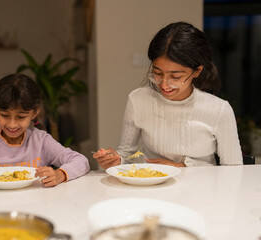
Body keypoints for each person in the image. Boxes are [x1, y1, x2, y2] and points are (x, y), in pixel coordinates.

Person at [93, 22, 243, 169]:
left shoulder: (219, 110)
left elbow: (233, 170)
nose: (164, 85)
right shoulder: (138, 100)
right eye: (157, 73)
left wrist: (182, 166)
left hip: (200, 190)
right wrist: (116, 159)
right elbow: (127, 154)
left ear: (197, 71)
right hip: (153, 189)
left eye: (175, 77)